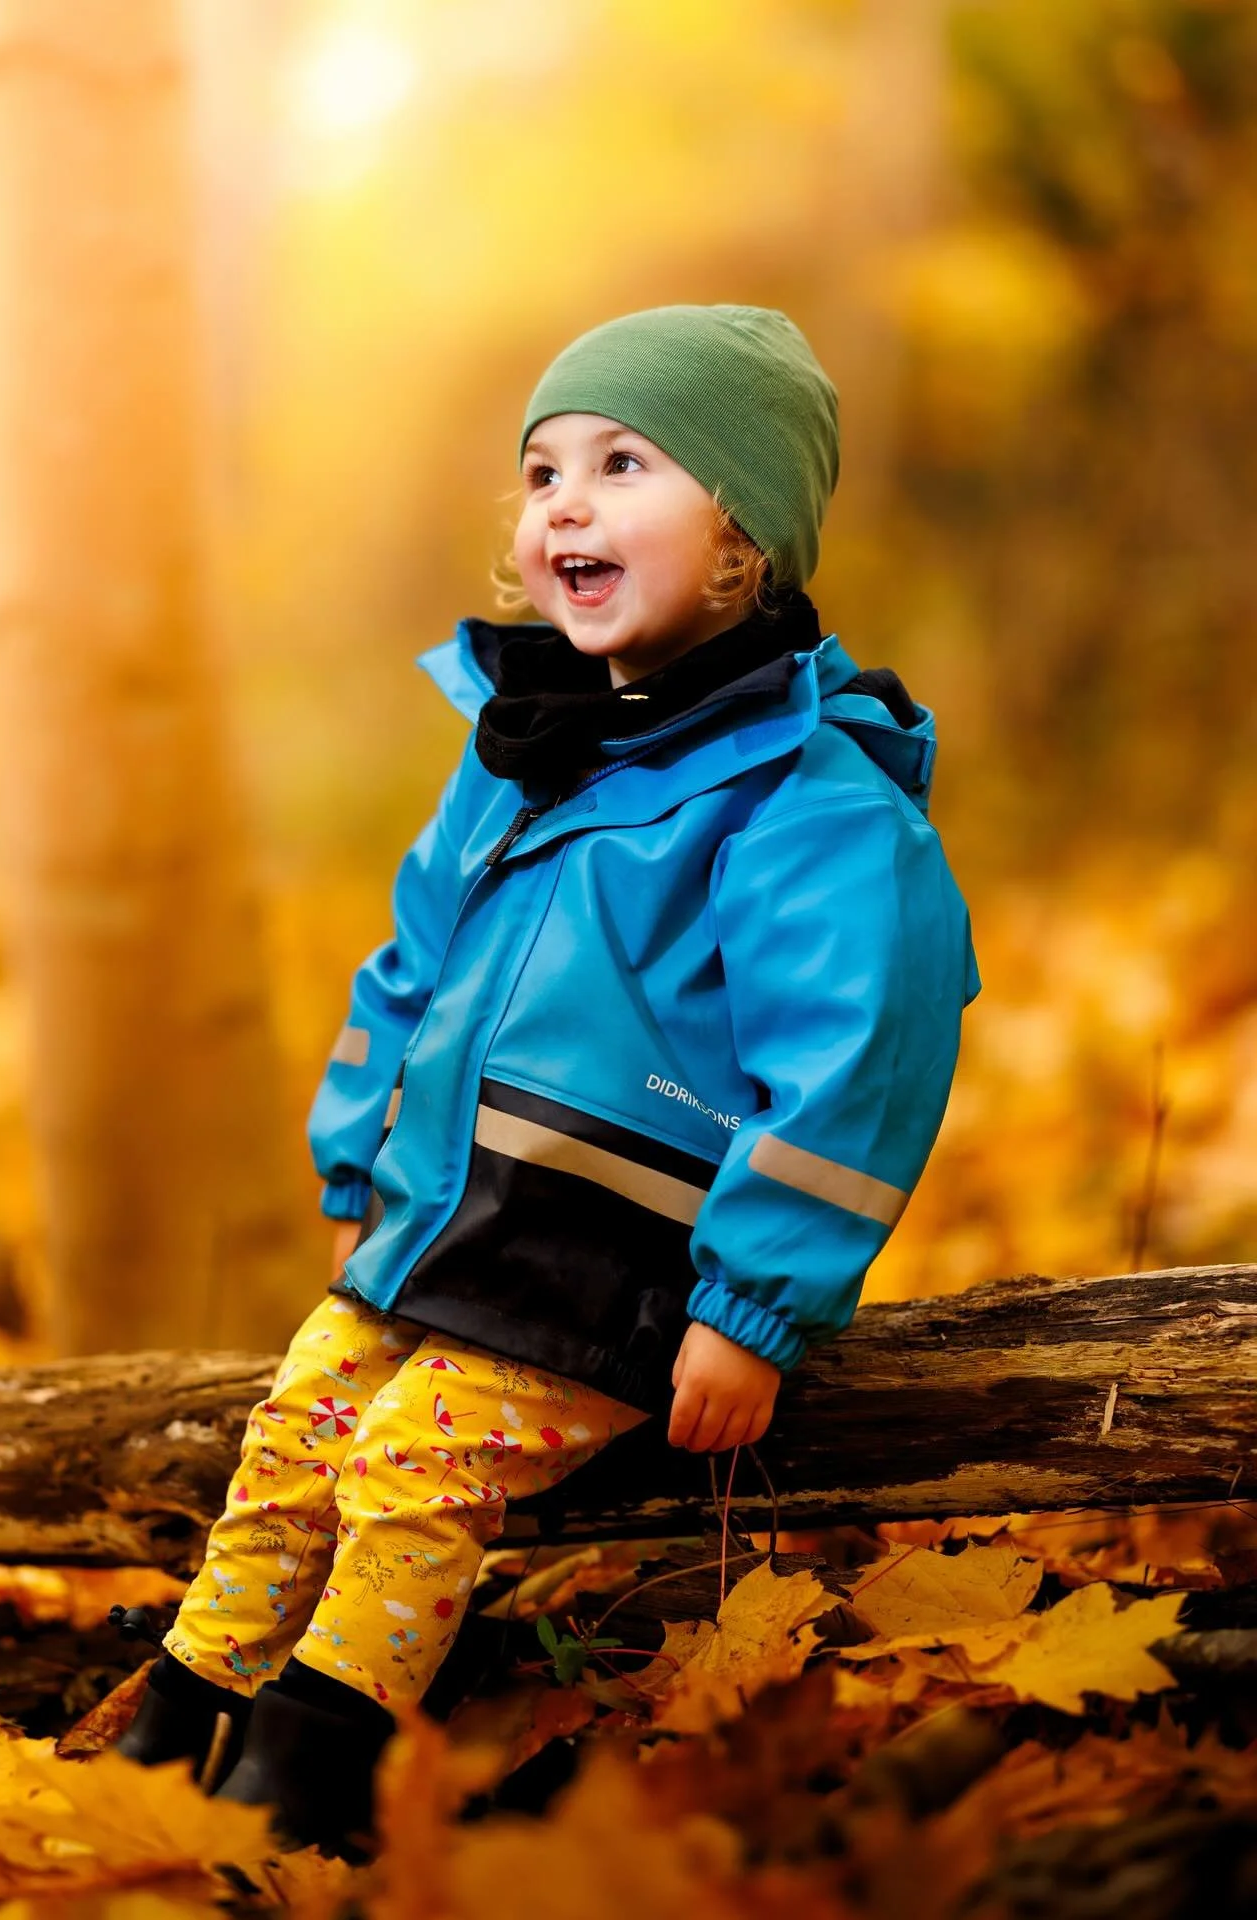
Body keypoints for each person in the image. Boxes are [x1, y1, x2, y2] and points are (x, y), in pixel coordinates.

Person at [115, 303, 980, 1854]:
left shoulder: (807, 803)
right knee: (291, 1436)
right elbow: (412, 965)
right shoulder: (522, 749)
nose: (565, 501)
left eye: (625, 463)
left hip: (613, 1257)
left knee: (408, 1468)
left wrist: (756, 1303)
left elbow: (856, 1067)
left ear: (743, 538)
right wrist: (356, 1171)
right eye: (541, 472)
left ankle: (312, 1773)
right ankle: (178, 1721)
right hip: (447, 1221)